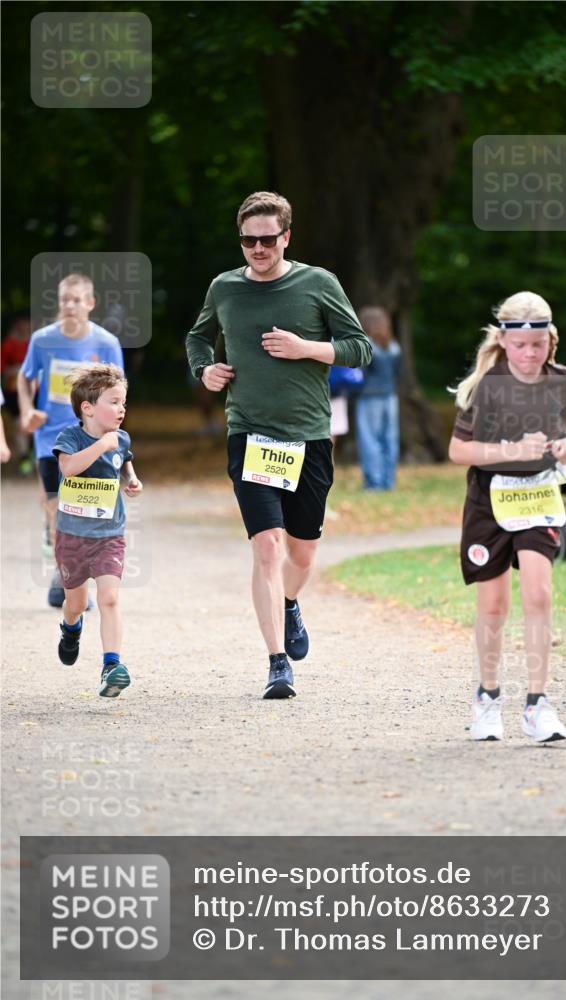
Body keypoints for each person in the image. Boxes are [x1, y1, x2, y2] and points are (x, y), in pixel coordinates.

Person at [186, 191, 372, 699]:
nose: (258, 249)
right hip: (249, 432)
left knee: (302, 552)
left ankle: (290, 602)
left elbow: (361, 348)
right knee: (266, 546)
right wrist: (205, 371)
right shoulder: (224, 288)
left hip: (309, 436)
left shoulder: (318, 283)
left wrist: (305, 348)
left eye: (268, 239)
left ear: (286, 237)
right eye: (249, 240)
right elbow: (197, 338)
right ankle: (276, 662)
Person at [449, 291, 566, 743]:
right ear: (505, 341)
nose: (530, 354)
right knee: (493, 606)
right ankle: (487, 699)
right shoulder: (486, 386)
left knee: (539, 593)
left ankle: (537, 704)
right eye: (522, 345)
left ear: (551, 341)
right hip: (489, 503)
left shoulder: (560, 378)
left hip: (538, 498)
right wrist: (509, 451)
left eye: (539, 344)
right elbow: (457, 450)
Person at [18, 274, 124, 606]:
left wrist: (112, 429)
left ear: (90, 304)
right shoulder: (42, 340)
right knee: (54, 507)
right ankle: (62, 574)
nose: (70, 306)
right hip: (50, 437)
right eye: (65, 299)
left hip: (91, 440)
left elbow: (118, 392)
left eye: (77, 300)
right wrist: (26, 412)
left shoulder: (106, 343)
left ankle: (76, 577)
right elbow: (24, 378)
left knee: (85, 509)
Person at [52, 363, 142, 698]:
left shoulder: (120, 438)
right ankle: (71, 628)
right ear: (88, 408)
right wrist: (102, 446)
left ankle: (111, 666)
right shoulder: (70, 437)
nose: (122, 409)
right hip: (72, 536)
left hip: (109, 536)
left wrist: (131, 479)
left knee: (109, 598)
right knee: (76, 602)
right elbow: (70, 468)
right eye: (114, 402)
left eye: (124, 403)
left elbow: (125, 457)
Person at [355, 305, 402, 490]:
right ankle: (388, 481)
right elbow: (398, 372)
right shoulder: (394, 346)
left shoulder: (367, 345)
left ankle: (373, 482)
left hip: (369, 398)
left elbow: (361, 375)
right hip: (390, 397)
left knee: (369, 440)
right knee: (389, 439)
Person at [1, 309, 32, 472]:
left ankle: (31, 454)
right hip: (13, 391)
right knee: (20, 424)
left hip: (35, 391)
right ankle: (25, 456)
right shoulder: (8, 343)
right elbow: (3, 368)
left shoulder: (35, 342)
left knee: (32, 424)